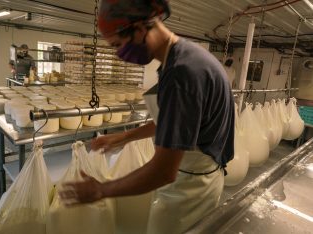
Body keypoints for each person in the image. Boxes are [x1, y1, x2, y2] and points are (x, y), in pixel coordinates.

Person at [59, 1, 234, 233]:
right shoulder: (186, 57)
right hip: (195, 177)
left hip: (192, 188)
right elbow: (173, 123)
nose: (120, 55)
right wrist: (122, 138)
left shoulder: (182, 74)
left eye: (119, 44)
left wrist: (100, 190)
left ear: (140, 28)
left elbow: (163, 172)